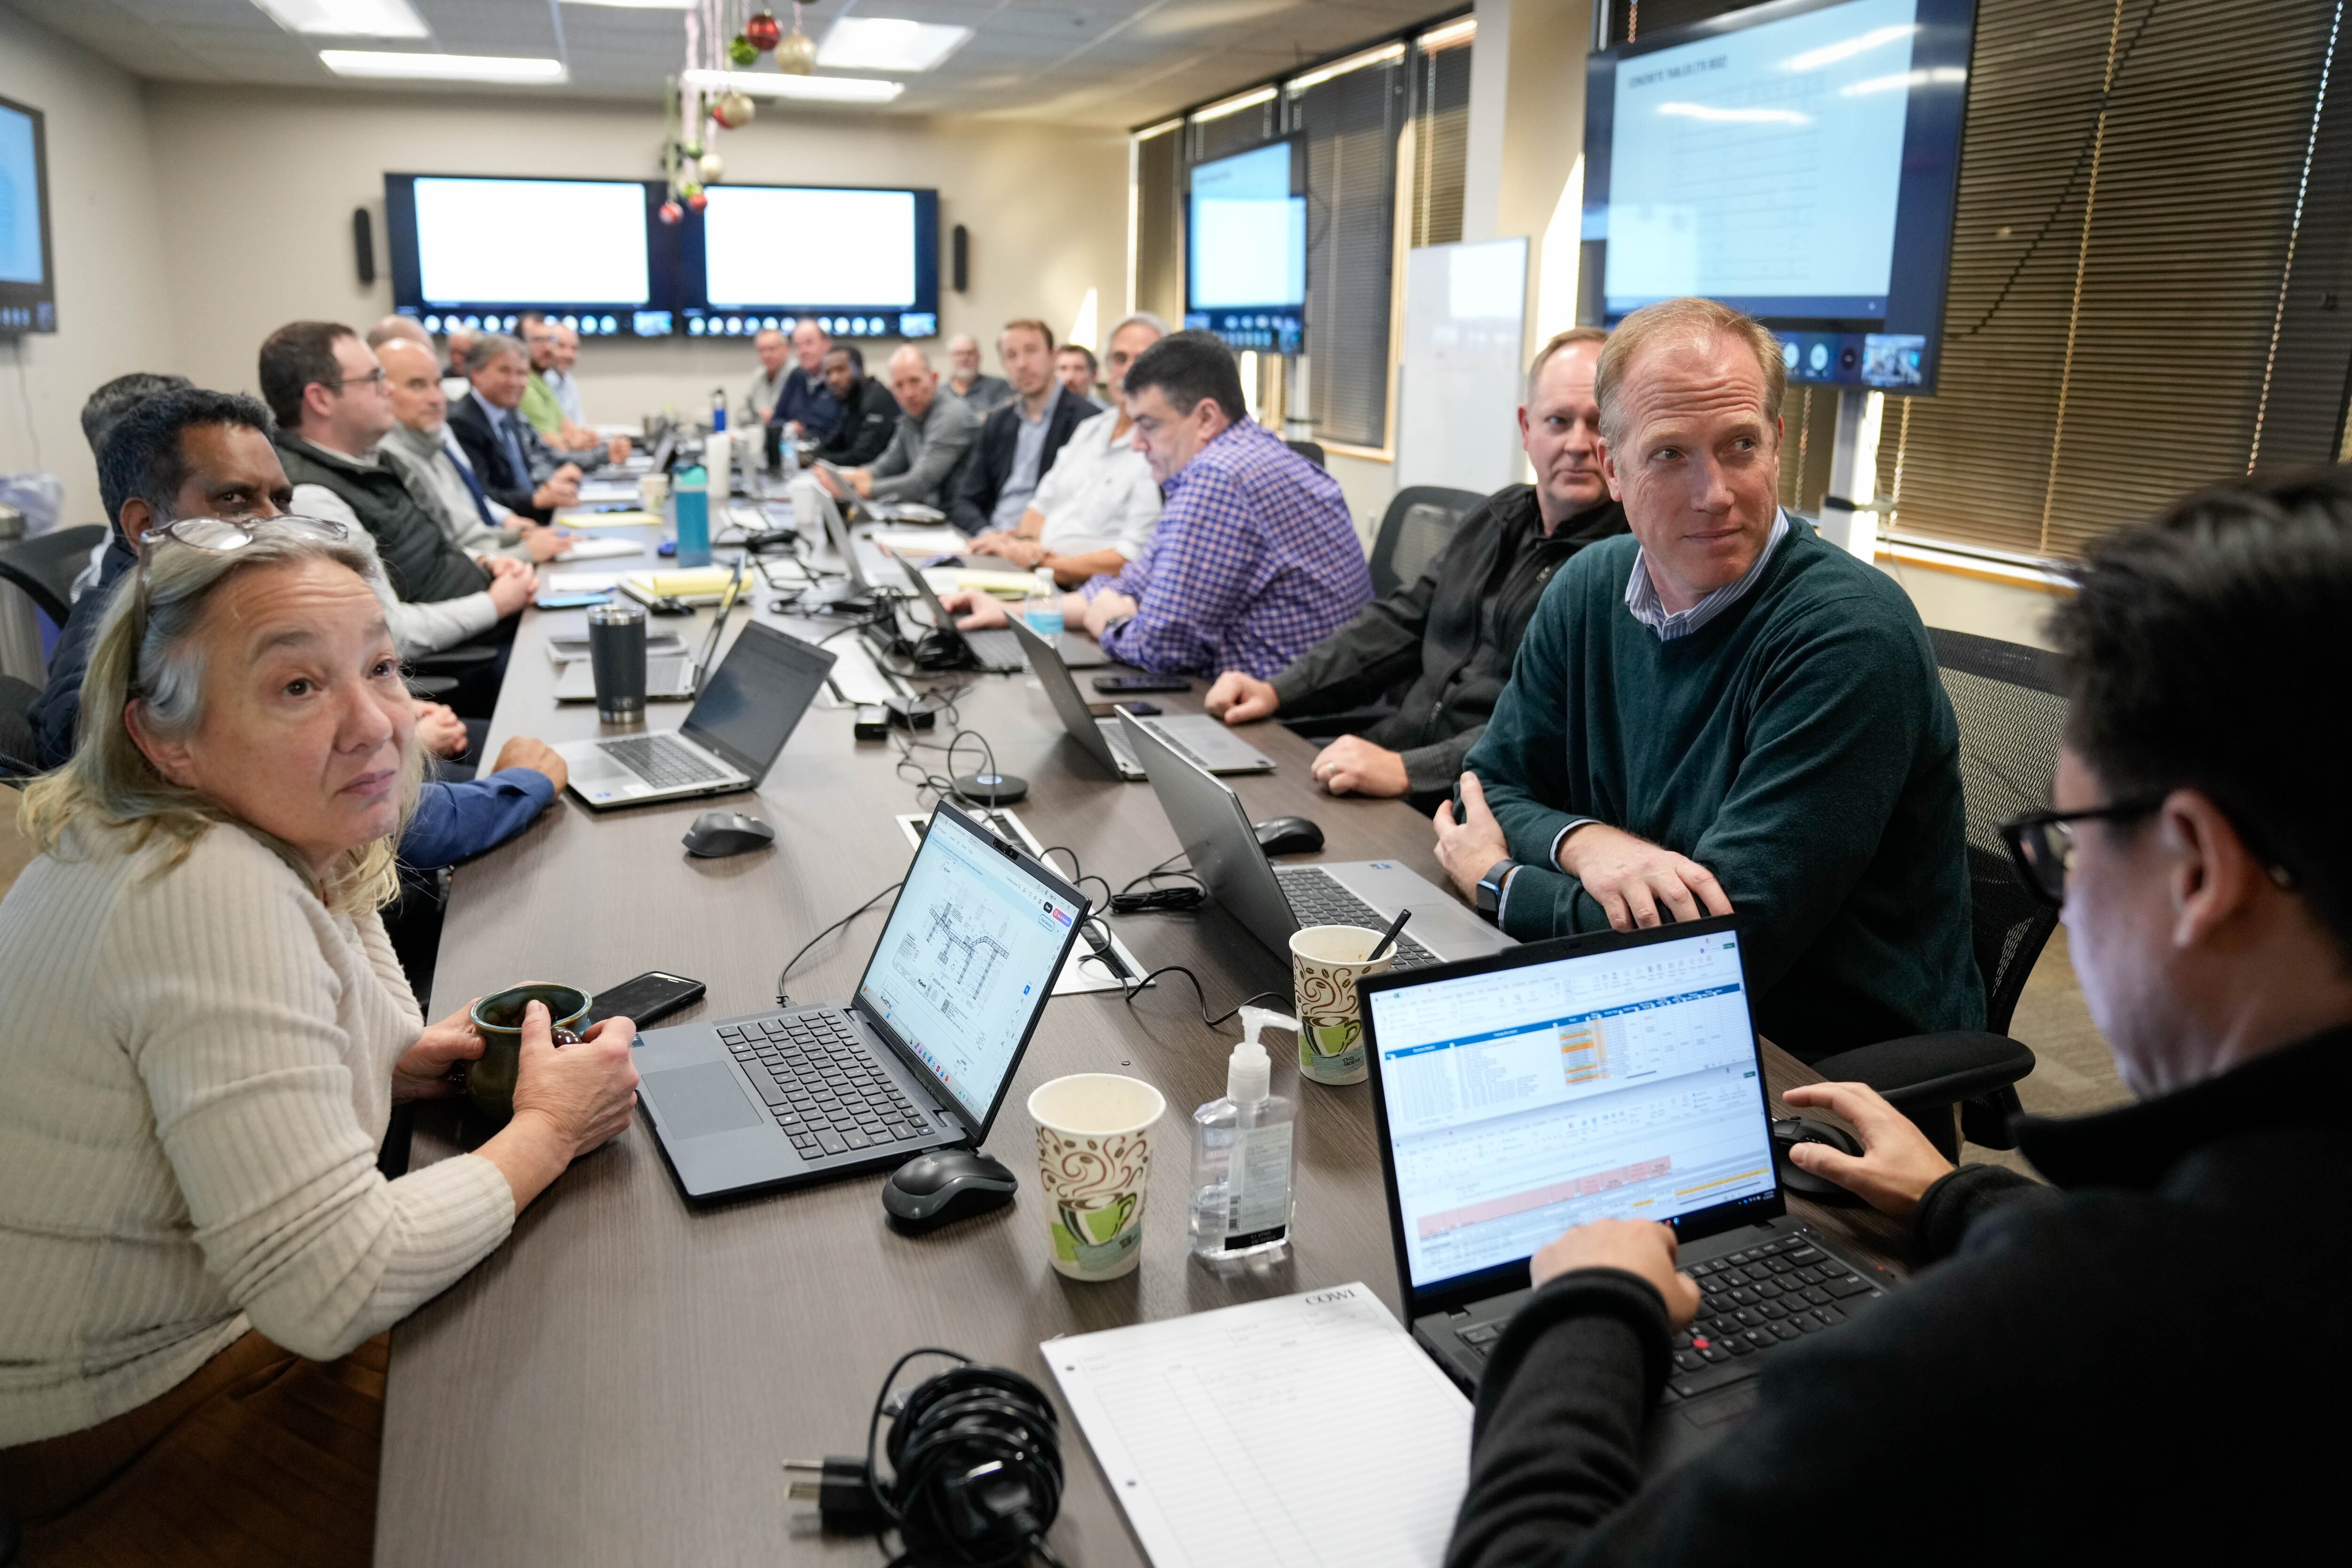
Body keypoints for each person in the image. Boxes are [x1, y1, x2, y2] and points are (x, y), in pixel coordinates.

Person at [1444, 470, 2352, 1565]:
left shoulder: (2018, 1353)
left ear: (2198, 869)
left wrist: (1588, 1309)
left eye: (2066, 845)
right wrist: (1968, 1203)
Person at [0, 521, 639, 1564]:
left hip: (190, 1353)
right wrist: (547, 1129)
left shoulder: (233, 826)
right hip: (135, 1431)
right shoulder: (202, 881)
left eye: (381, 668)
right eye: (298, 686)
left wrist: (393, 1062)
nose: (375, 723)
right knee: (575, 1444)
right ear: (167, 735)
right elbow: (329, 1281)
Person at [1432, 297, 1979, 1060]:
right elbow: (1489, 783)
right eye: (1669, 454)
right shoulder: (1589, 588)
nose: (1714, 492)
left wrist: (1500, 881)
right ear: (1613, 468)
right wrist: (1587, 843)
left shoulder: (1847, 633)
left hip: (1813, 1064)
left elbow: (1714, 950)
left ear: (1778, 443)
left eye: (1740, 445)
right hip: (1623, 1011)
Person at [24, 384, 567, 872]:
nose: (272, 523)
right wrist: (517, 786)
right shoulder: (117, 667)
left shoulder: (216, 602)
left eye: (280, 500)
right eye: (235, 500)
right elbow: (374, 820)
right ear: (145, 526)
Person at [1206, 327, 1628, 801]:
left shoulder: (1628, 565)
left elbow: (1558, 724)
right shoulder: (1493, 518)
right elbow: (1399, 625)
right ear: (1526, 429)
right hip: (1394, 758)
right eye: (1557, 421)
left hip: (1482, 799)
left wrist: (1411, 770)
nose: (1576, 443)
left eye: (1597, 425)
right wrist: (1277, 690)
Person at [941, 330, 1370, 677]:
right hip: (1255, 697)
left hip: (1283, 727)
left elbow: (1161, 647)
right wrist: (1011, 612)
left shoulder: (1219, 477)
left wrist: (1109, 622)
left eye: (1149, 425)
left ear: (1206, 418)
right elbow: (1131, 586)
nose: (1138, 443)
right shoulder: (1231, 459)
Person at [259, 321, 535, 664]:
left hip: (491, 620)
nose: (387, 389)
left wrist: (485, 560)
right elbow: (389, 633)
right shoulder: (313, 496)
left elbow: (425, 549)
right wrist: (496, 603)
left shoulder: (370, 459)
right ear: (321, 399)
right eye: (374, 379)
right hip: (470, 659)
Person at [971, 311, 1166, 585]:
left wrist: (1041, 564)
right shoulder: (1091, 429)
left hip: (1083, 591)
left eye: (1143, 359)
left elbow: (1131, 557)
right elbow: (1040, 504)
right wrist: (1024, 545)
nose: (1130, 370)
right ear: (1108, 367)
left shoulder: (1162, 446)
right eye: (1120, 359)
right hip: (1035, 573)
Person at [376, 337, 571, 565]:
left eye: (438, 384)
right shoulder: (393, 458)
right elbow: (444, 557)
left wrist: (515, 537)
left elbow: (466, 528)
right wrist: (524, 552)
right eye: (417, 385)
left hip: (493, 549)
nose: (436, 399)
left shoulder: (433, 443)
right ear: (381, 391)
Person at [949, 319, 1090, 536]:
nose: (1022, 364)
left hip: (1048, 545)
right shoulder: (998, 422)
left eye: (1031, 351)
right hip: (993, 540)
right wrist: (986, 534)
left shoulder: (1087, 421)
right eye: (1011, 356)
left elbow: (1086, 510)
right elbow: (965, 500)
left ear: (1053, 357)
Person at [448, 333, 605, 523]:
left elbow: (523, 476)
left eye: (522, 373)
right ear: (476, 374)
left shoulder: (508, 412)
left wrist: (551, 483)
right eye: (505, 371)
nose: (515, 382)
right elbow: (479, 497)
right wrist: (536, 499)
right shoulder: (463, 423)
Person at [816, 344, 978, 509]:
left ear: (934, 379)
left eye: (915, 381)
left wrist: (852, 490)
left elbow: (919, 484)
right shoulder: (912, 415)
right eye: (899, 386)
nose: (908, 393)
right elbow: (885, 467)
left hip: (956, 520)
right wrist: (838, 478)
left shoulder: (951, 415)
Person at [814, 344, 902, 468]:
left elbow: (863, 456)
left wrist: (818, 460)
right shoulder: (851, 399)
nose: (833, 379)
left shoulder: (876, 400)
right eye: (828, 373)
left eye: (840, 370)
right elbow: (834, 442)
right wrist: (812, 453)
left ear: (860, 369)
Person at [767, 319, 841, 443]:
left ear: (826, 344)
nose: (803, 351)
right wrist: (790, 427)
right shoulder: (797, 376)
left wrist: (805, 432)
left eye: (809, 343)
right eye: (798, 345)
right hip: (793, 452)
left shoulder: (837, 379)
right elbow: (776, 421)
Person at [947, 331, 1013, 414]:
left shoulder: (999, 387)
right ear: (951, 358)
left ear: (979, 357)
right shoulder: (940, 394)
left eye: (970, 353)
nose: (964, 359)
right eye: (959, 354)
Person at [744, 326, 792, 426]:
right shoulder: (758, 375)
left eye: (772, 349)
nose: (767, 355)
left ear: (786, 348)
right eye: (762, 350)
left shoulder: (797, 375)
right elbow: (744, 414)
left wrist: (776, 417)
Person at [1056, 342, 1104, 408]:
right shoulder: (1042, 413)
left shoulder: (1104, 415)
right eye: (1063, 369)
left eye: (1078, 369)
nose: (1069, 377)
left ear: (1094, 376)